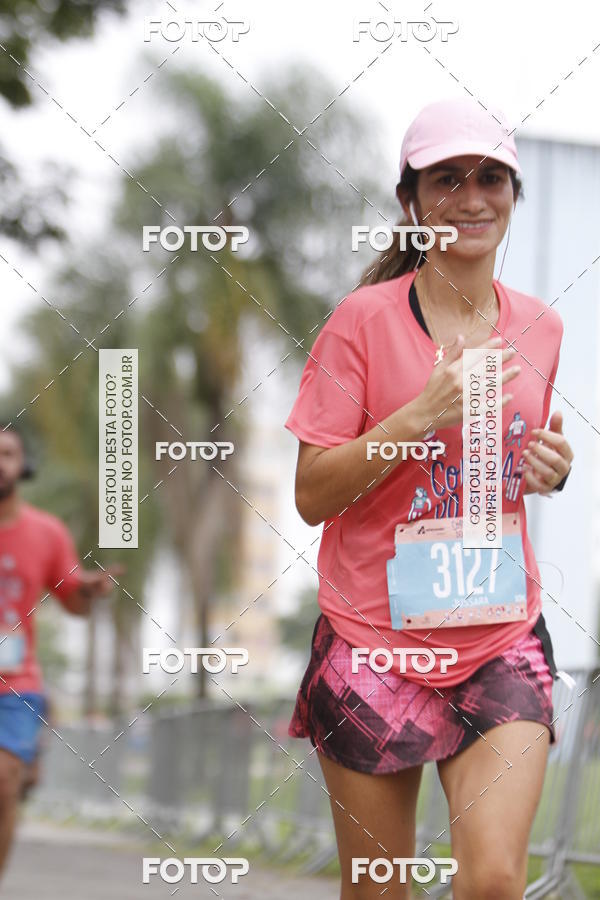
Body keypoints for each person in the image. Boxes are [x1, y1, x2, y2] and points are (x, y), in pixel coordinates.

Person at [285, 97, 574, 899]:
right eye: (447, 179)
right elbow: (312, 492)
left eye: (491, 178)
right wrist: (420, 415)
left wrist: (549, 468)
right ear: (411, 199)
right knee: (382, 888)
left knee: (491, 881)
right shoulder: (361, 322)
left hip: (496, 633)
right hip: (374, 639)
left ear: (515, 195)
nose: (472, 198)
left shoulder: (542, 328)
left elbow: (504, 468)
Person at [0, 423, 121, 874]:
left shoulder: (46, 533)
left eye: (7, 453)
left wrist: (87, 591)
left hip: (15, 685)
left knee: (3, 783)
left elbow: (74, 605)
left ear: (23, 466)